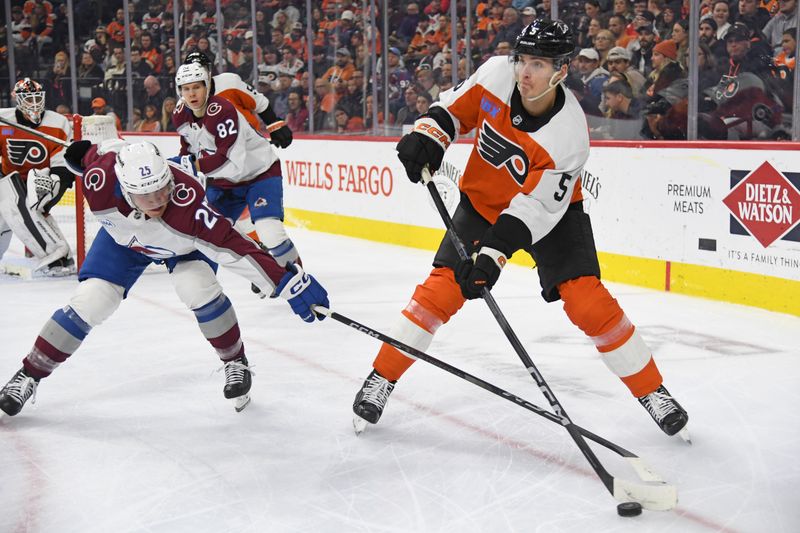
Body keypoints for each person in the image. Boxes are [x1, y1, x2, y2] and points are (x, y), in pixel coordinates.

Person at [350, 19, 689, 440]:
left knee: (588, 304)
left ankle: (652, 391)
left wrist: (491, 257)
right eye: (522, 60)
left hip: (553, 217)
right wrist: (429, 136)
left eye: (539, 64)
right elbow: (453, 111)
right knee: (438, 293)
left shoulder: (568, 135)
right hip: (482, 203)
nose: (525, 73)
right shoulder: (496, 74)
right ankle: (381, 378)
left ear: (562, 70)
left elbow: (533, 210)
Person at [0, 140, 329, 418]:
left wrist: (289, 284)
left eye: (162, 188)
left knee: (198, 289)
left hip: (182, 245)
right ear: (126, 190)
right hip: (125, 243)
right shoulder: (99, 179)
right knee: (92, 301)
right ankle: (29, 373)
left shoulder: (188, 206)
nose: (158, 200)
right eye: (146, 196)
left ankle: (235, 361)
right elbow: (90, 153)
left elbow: (236, 248)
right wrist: (68, 167)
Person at [177, 53, 297, 273]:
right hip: (224, 177)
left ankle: (296, 278)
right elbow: (189, 148)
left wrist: (275, 124)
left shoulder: (229, 84)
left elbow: (259, 103)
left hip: (254, 165)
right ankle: (262, 267)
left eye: (198, 80)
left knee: (269, 230)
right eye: (187, 87)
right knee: (210, 234)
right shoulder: (184, 107)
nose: (191, 91)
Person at [0, 78, 76, 276]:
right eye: (28, 98)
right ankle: (59, 257)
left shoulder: (58, 123)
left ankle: (58, 258)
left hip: (44, 179)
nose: (34, 103)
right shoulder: (3, 119)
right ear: (18, 99)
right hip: (11, 179)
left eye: (37, 97)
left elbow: (63, 167)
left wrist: (50, 196)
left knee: (33, 213)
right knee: (4, 218)